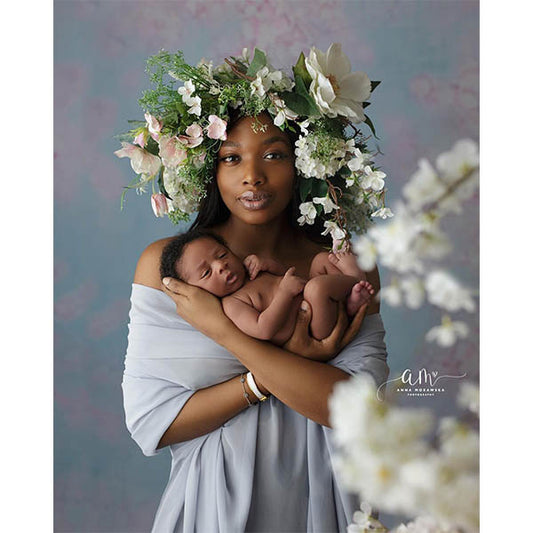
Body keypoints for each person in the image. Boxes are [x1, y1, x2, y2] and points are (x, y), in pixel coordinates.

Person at [120, 44, 389, 532]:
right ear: (207, 169)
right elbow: (152, 424)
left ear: (309, 161)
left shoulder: (343, 263)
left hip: (326, 500)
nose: (252, 176)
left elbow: (358, 412)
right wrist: (281, 375)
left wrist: (227, 335)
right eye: (230, 158)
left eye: (274, 154)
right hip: (214, 505)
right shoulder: (169, 270)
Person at [159, 229, 375, 345]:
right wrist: (283, 293)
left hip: (311, 302)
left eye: (222, 255)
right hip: (313, 332)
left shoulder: (250, 272)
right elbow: (263, 329)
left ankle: (350, 301)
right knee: (316, 289)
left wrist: (270, 265)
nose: (221, 266)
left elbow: (286, 276)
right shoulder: (232, 304)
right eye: (207, 273)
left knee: (320, 260)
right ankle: (354, 279)